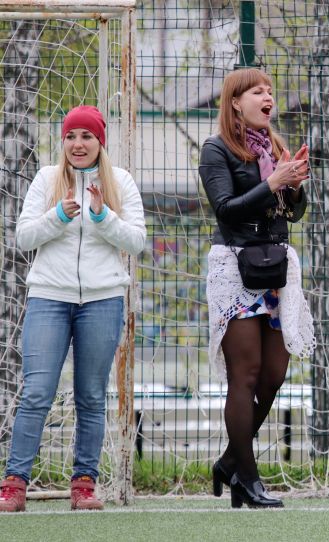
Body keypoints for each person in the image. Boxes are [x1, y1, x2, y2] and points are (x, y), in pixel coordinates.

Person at [0, 105, 146, 512]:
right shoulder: (47, 179)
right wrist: (58, 216)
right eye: (71, 136)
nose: (78, 144)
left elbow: (136, 241)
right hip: (49, 296)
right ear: (63, 141)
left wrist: (102, 216)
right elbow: (24, 237)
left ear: (100, 142)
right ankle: (14, 484)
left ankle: (84, 484)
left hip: (102, 300)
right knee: (37, 392)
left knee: (91, 395)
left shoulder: (121, 182)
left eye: (87, 136)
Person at [200, 68, 314, 509]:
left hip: (275, 270)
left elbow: (291, 213)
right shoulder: (216, 149)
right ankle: (248, 479)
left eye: (270, 91)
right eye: (257, 91)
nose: (268, 97)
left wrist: (294, 188)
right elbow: (226, 209)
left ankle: (231, 460)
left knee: (274, 375)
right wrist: (273, 183)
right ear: (235, 102)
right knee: (244, 375)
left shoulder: (274, 147)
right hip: (235, 268)